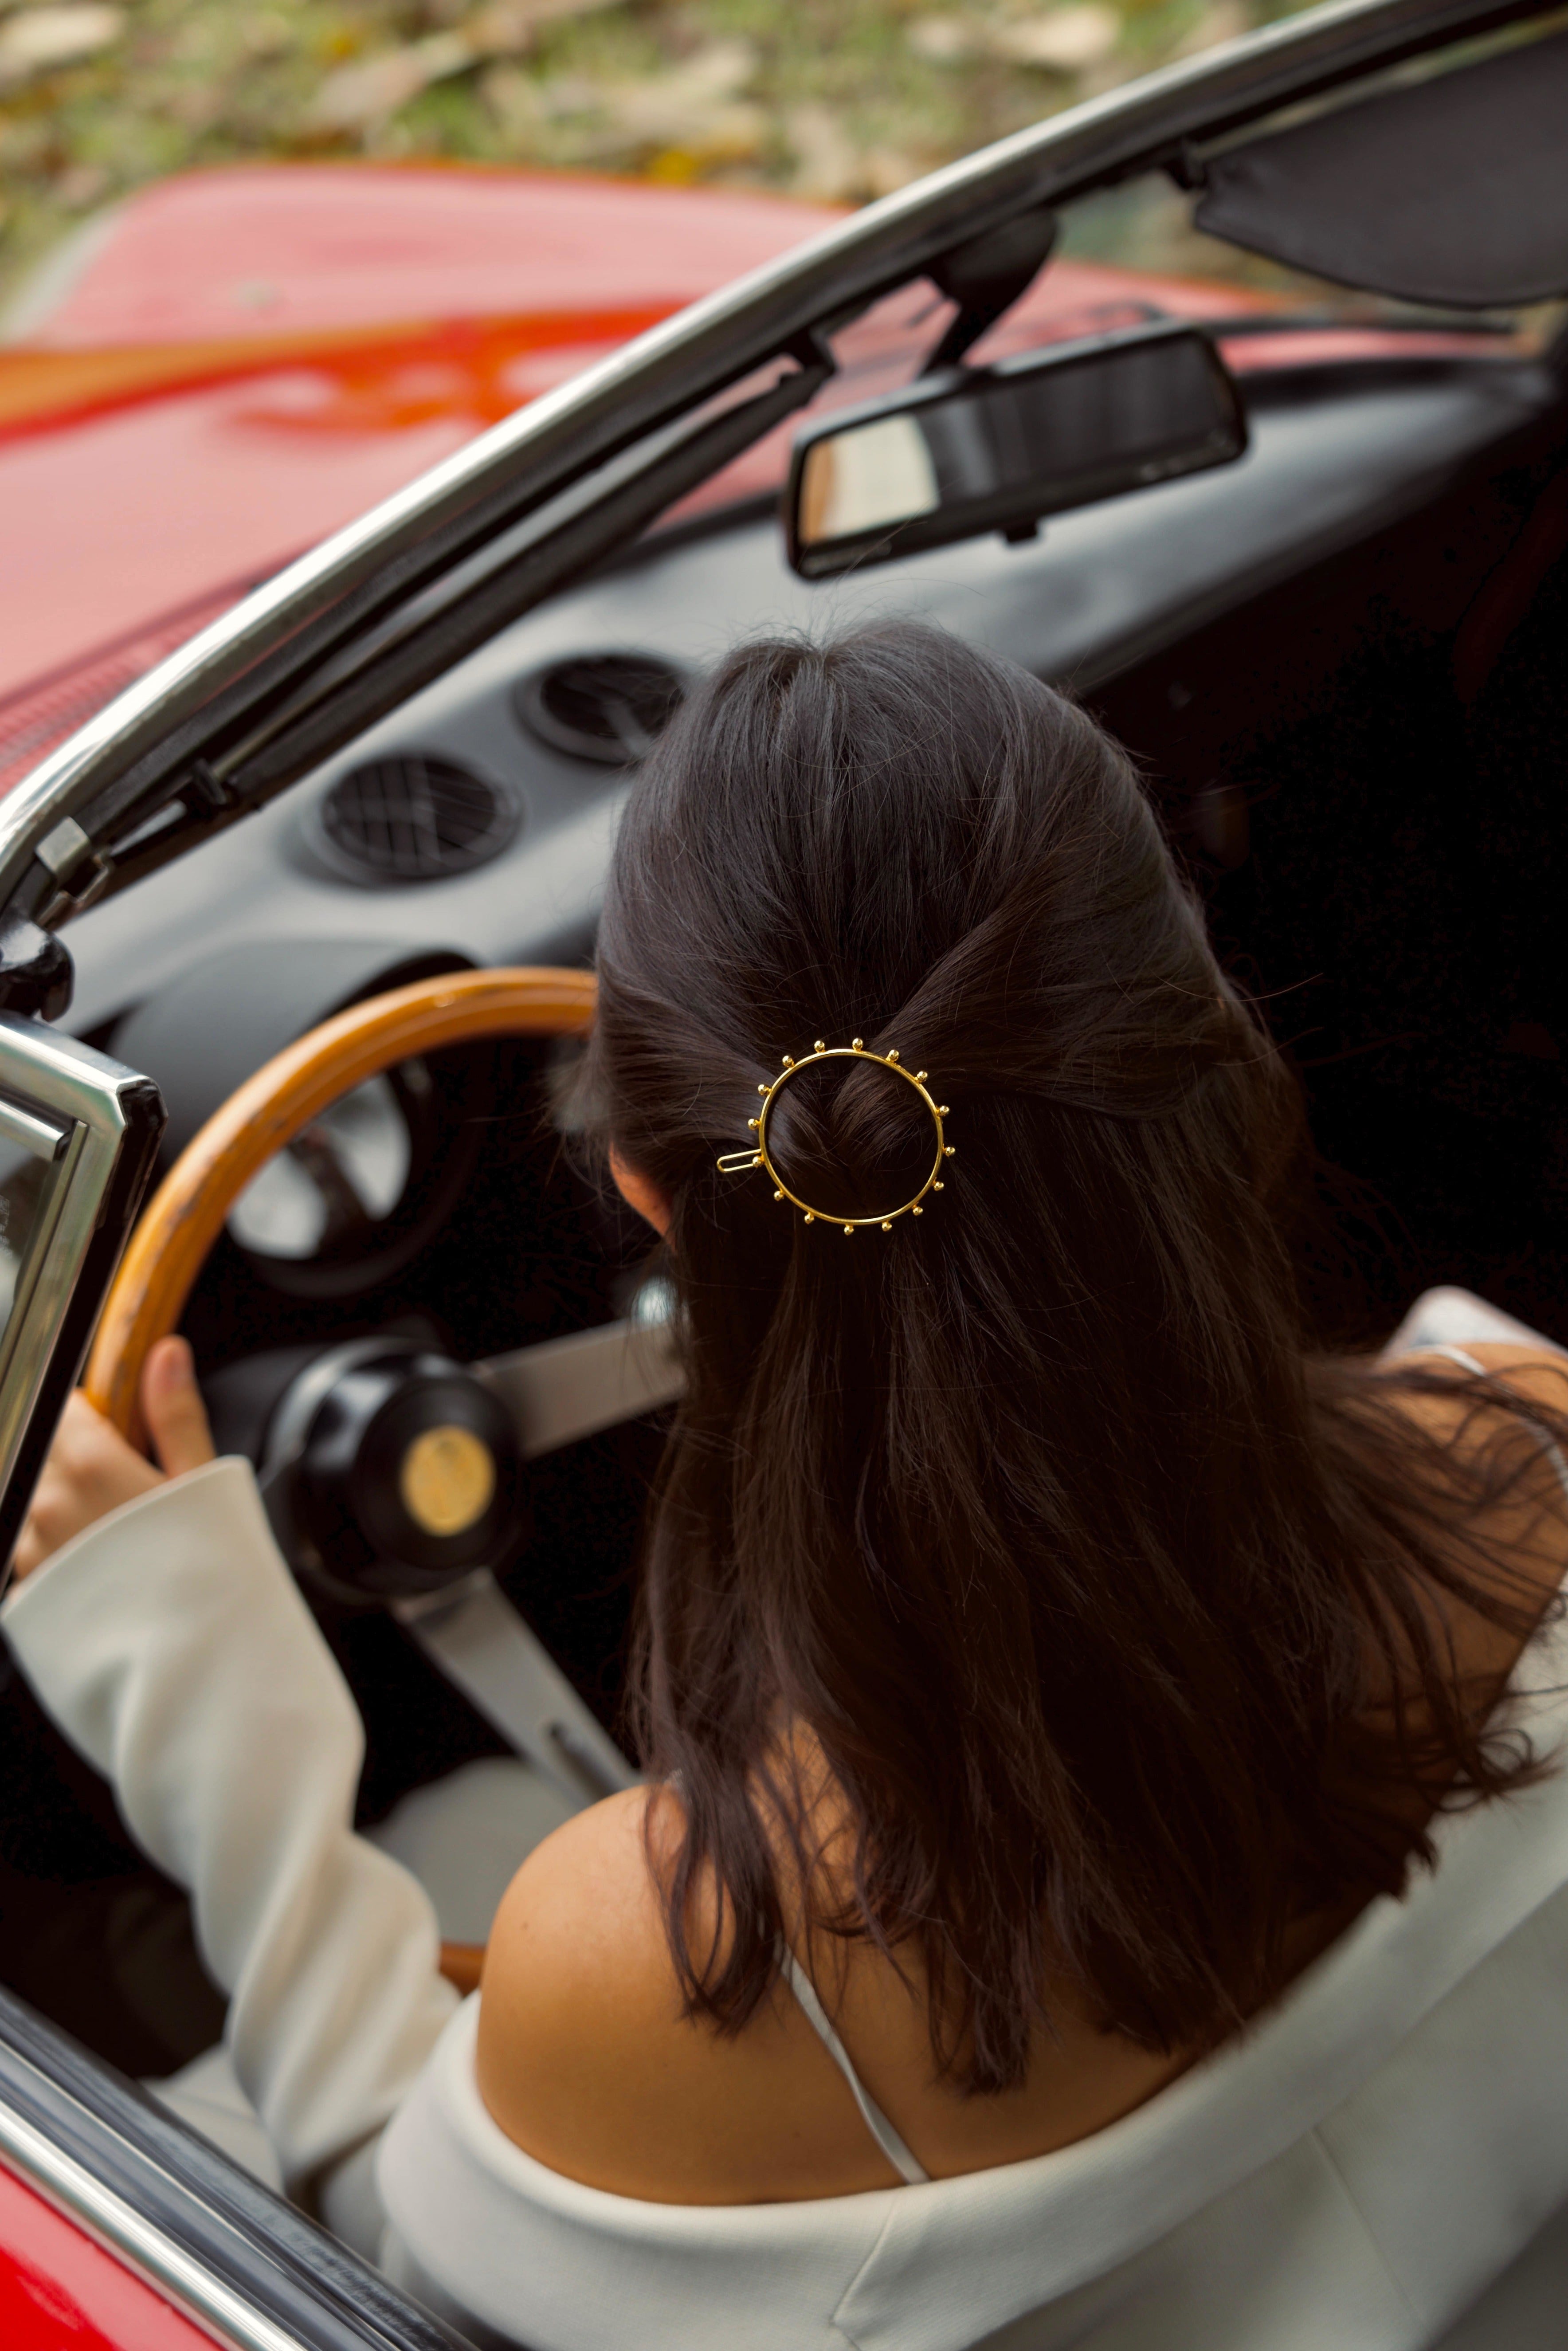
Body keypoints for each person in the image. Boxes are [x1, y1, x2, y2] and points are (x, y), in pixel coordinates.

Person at [7, 622, 1568, 2351]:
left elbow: (391, 2259)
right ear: (1187, 1029)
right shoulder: (1531, 1438)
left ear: (641, 1186)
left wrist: (220, 1717)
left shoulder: (644, 1972)